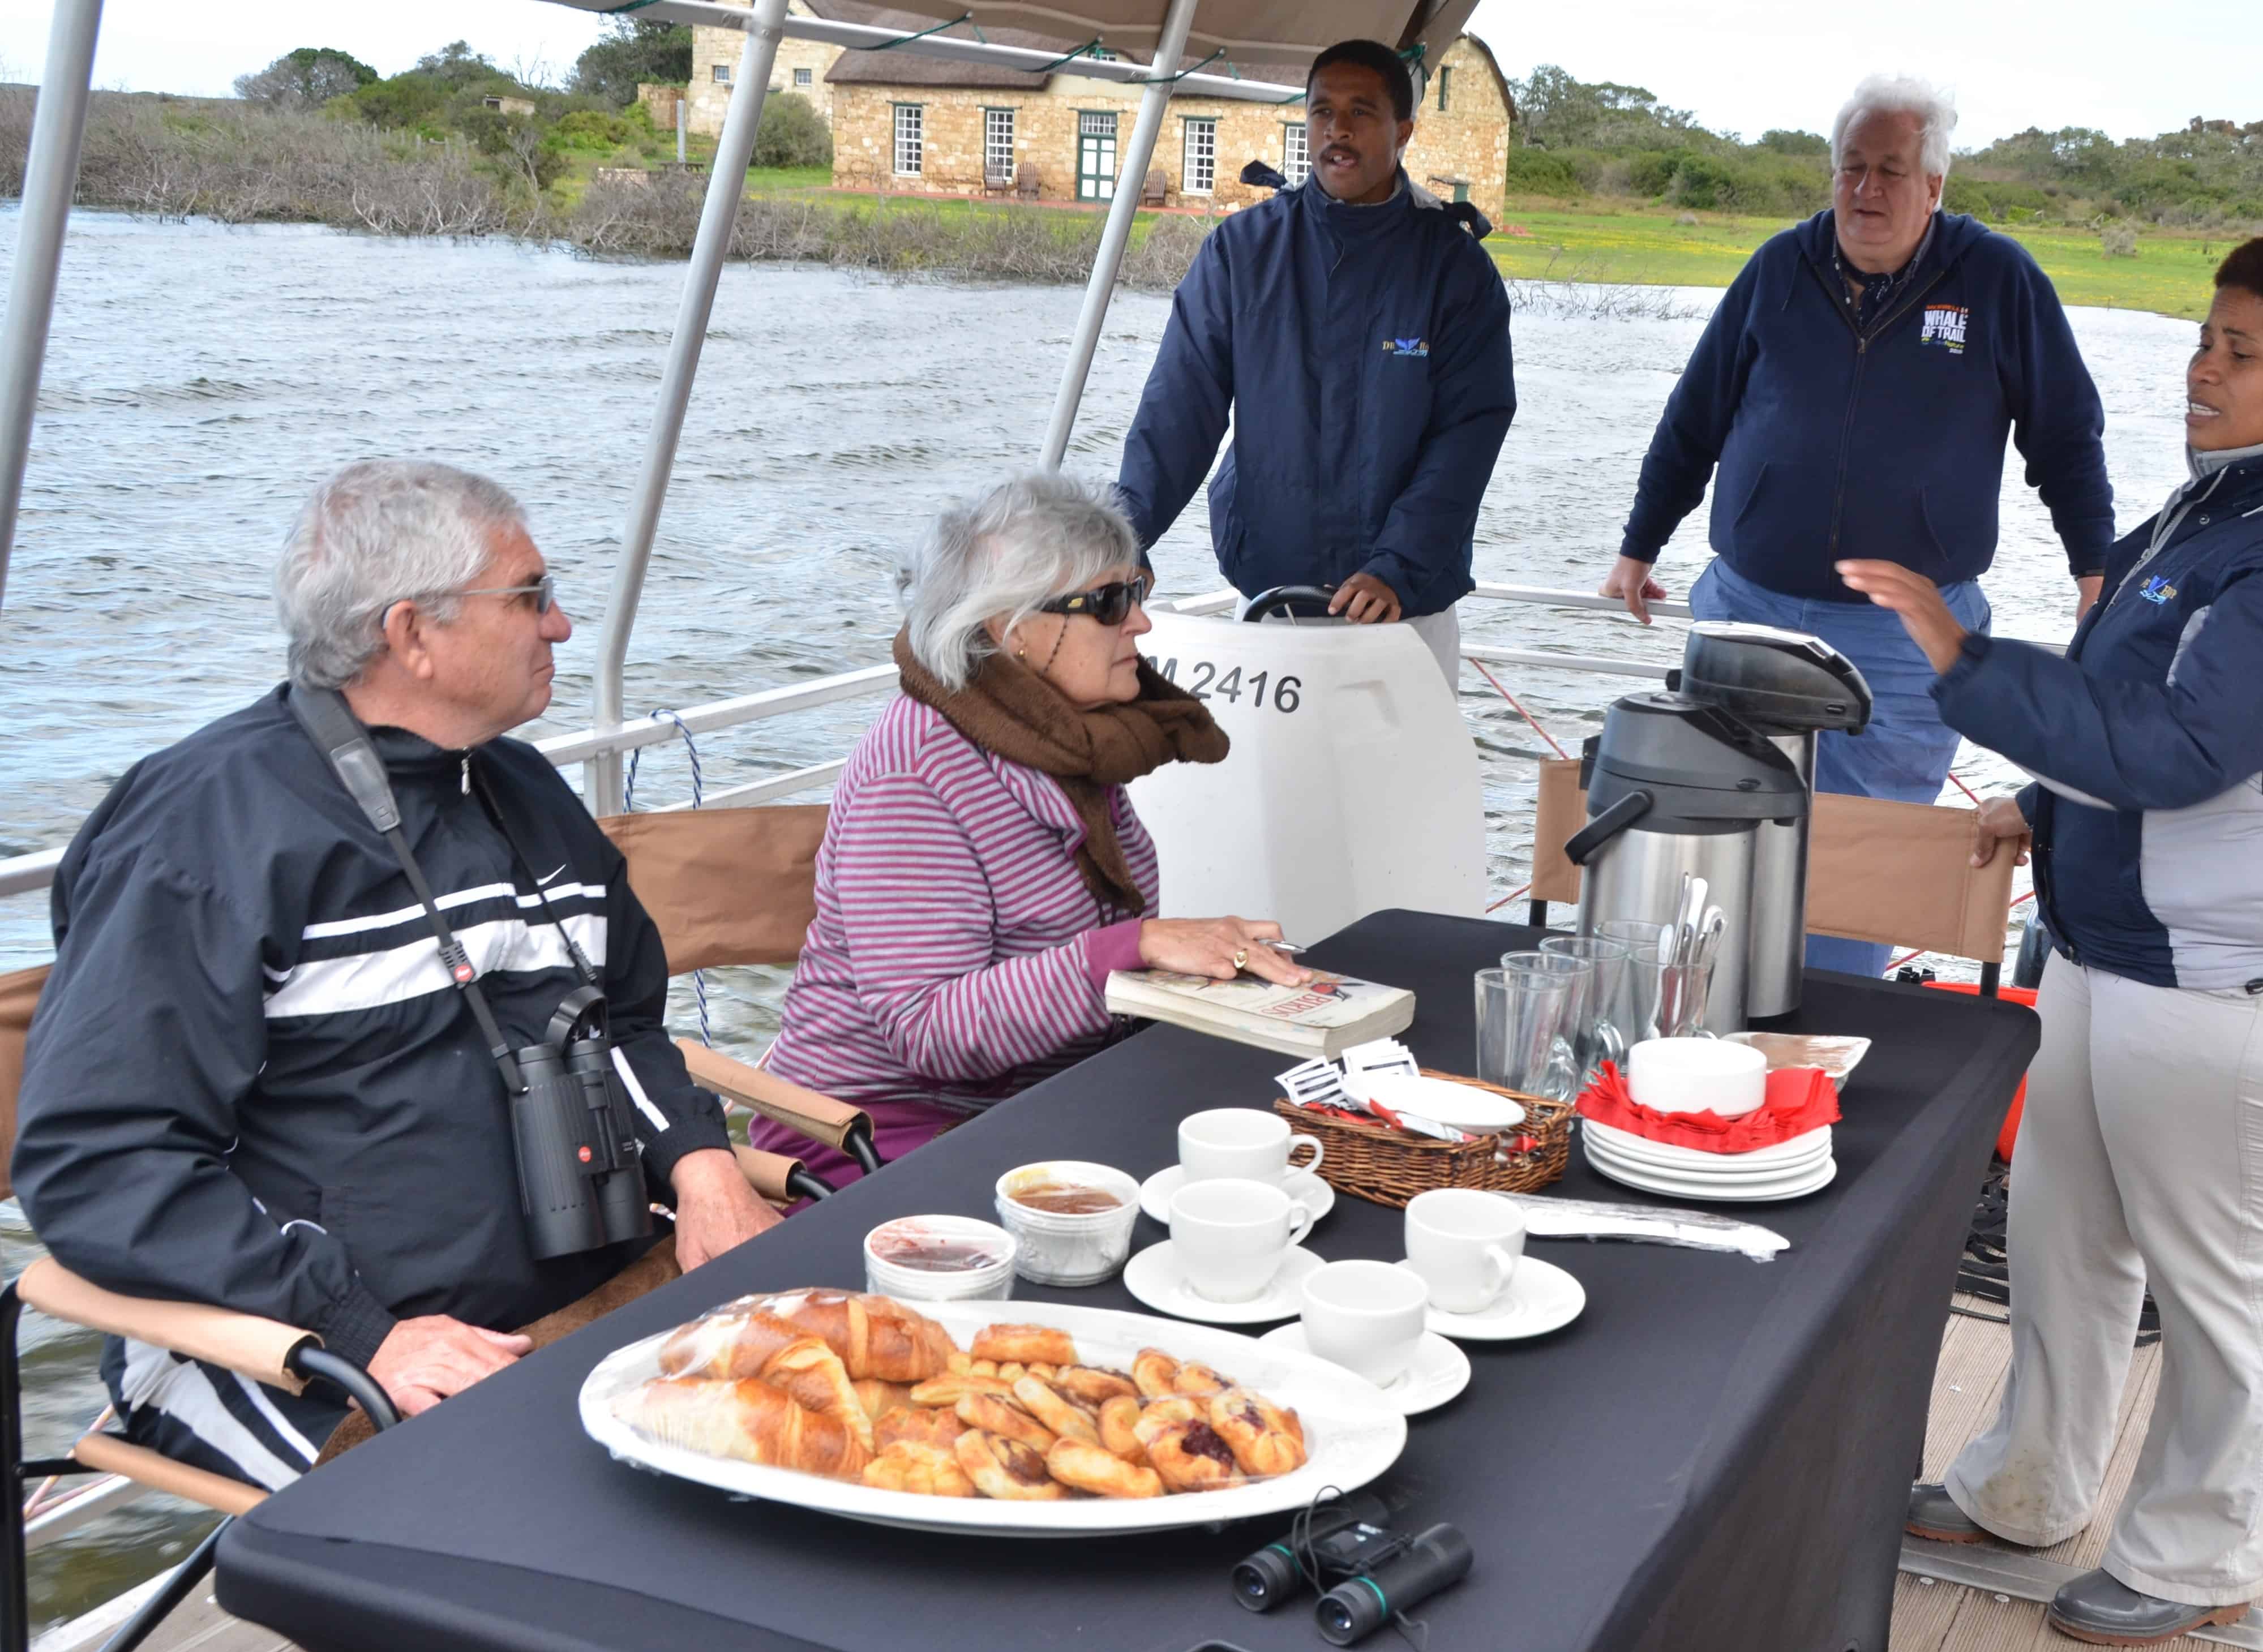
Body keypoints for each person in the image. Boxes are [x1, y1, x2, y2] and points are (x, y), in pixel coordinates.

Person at [1844, 231, 2263, 1646]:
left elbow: (2183, 748)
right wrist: (2037, 804)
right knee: (2064, 1236)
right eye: (2204, 334)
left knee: (2216, 1276)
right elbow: (2126, 693)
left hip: (2229, 961)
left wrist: (1960, 661)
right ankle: (2022, 1485)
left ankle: (2195, 1555)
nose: (2201, 365)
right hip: (2106, 935)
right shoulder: (2227, 500)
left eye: (2243, 348)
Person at [12, 461, 782, 1487]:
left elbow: (625, 1023)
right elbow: (96, 1159)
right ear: (413, 635)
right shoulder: (202, 834)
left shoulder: (519, 784)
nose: (559, 627)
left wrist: (701, 1163)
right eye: (532, 597)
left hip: (591, 1282)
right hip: (310, 1351)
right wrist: (358, 1330)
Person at [1598, 73, 2115, 977]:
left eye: (1890, 170)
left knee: (1863, 857)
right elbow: (1694, 419)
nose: (1867, 190)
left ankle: (1830, 1053)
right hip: (1747, 611)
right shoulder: (1776, 269)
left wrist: (2094, 574)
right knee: (1722, 834)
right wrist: (1638, 546)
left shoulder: (1999, 281)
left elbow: (2066, 439)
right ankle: (1708, 1031)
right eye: (1851, 169)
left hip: (1906, 634)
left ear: (1936, 187)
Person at [755, 472, 1311, 1183]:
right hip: (883, 1129)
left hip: (1041, 1099)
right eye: (1111, 602)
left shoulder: (1069, 740)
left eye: (1136, 590)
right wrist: (1134, 947)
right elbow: (931, 1030)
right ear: (1009, 628)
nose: (1140, 622)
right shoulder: (917, 770)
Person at [1114, 37, 1516, 689]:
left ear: (1403, 130)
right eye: (1323, 110)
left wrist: (1400, 565)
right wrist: (1123, 537)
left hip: (1405, 612)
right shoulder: (1240, 253)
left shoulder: (1454, 269)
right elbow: (1179, 410)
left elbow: (1470, 434)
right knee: (1270, 791)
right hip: (1272, 596)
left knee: (1397, 794)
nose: (1339, 128)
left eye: (1362, 111)